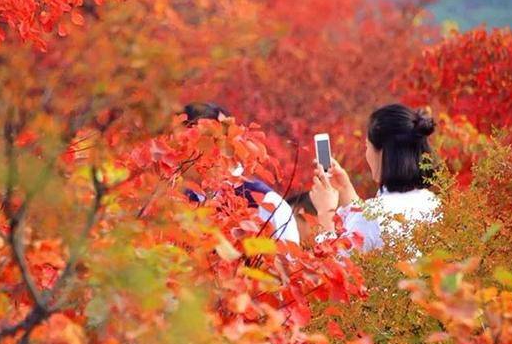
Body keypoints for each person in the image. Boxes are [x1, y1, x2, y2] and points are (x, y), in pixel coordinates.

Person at [309, 103, 440, 252]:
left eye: (367, 146)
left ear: (382, 153)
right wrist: (345, 189)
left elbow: (339, 270)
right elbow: (368, 224)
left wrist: (326, 214)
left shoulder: (372, 219)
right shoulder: (433, 203)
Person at [181, 102, 301, 245]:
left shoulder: (267, 203)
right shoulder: (177, 198)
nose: (177, 152)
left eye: (184, 143)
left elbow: (289, 263)